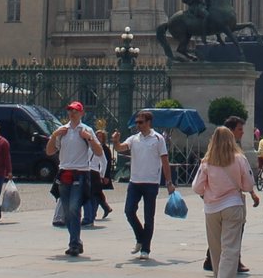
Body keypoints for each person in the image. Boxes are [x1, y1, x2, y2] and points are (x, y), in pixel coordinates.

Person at [190, 127, 259, 278]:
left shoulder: (207, 162)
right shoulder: (239, 159)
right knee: (230, 249)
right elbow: (248, 184)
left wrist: (209, 191)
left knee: (216, 250)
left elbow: (196, 187)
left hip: (211, 208)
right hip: (232, 205)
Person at [45, 101, 104, 256]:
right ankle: (75, 242)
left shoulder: (86, 130)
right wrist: (54, 136)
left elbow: (99, 152)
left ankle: (74, 243)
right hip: (64, 171)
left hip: (80, 172)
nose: (72, 114)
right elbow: (50, 151)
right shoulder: (61, 130)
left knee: (74, 208)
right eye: (70, 111)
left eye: (75, 111)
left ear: (81, 113)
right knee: (66, 209)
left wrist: (89, 139)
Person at [117, 110, 171, 258]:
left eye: (141, 122)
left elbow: (165, 161)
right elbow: (121, 147)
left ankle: (145, 248)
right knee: (129, 211)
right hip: (135, 181)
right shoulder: (134, 138)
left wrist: (169, 182)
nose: (138, 125)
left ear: (148, 123)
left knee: (149, 216)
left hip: (151, 182)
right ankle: (140, 237)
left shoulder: (158, 139)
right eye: (136, 122)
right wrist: (115, 141)